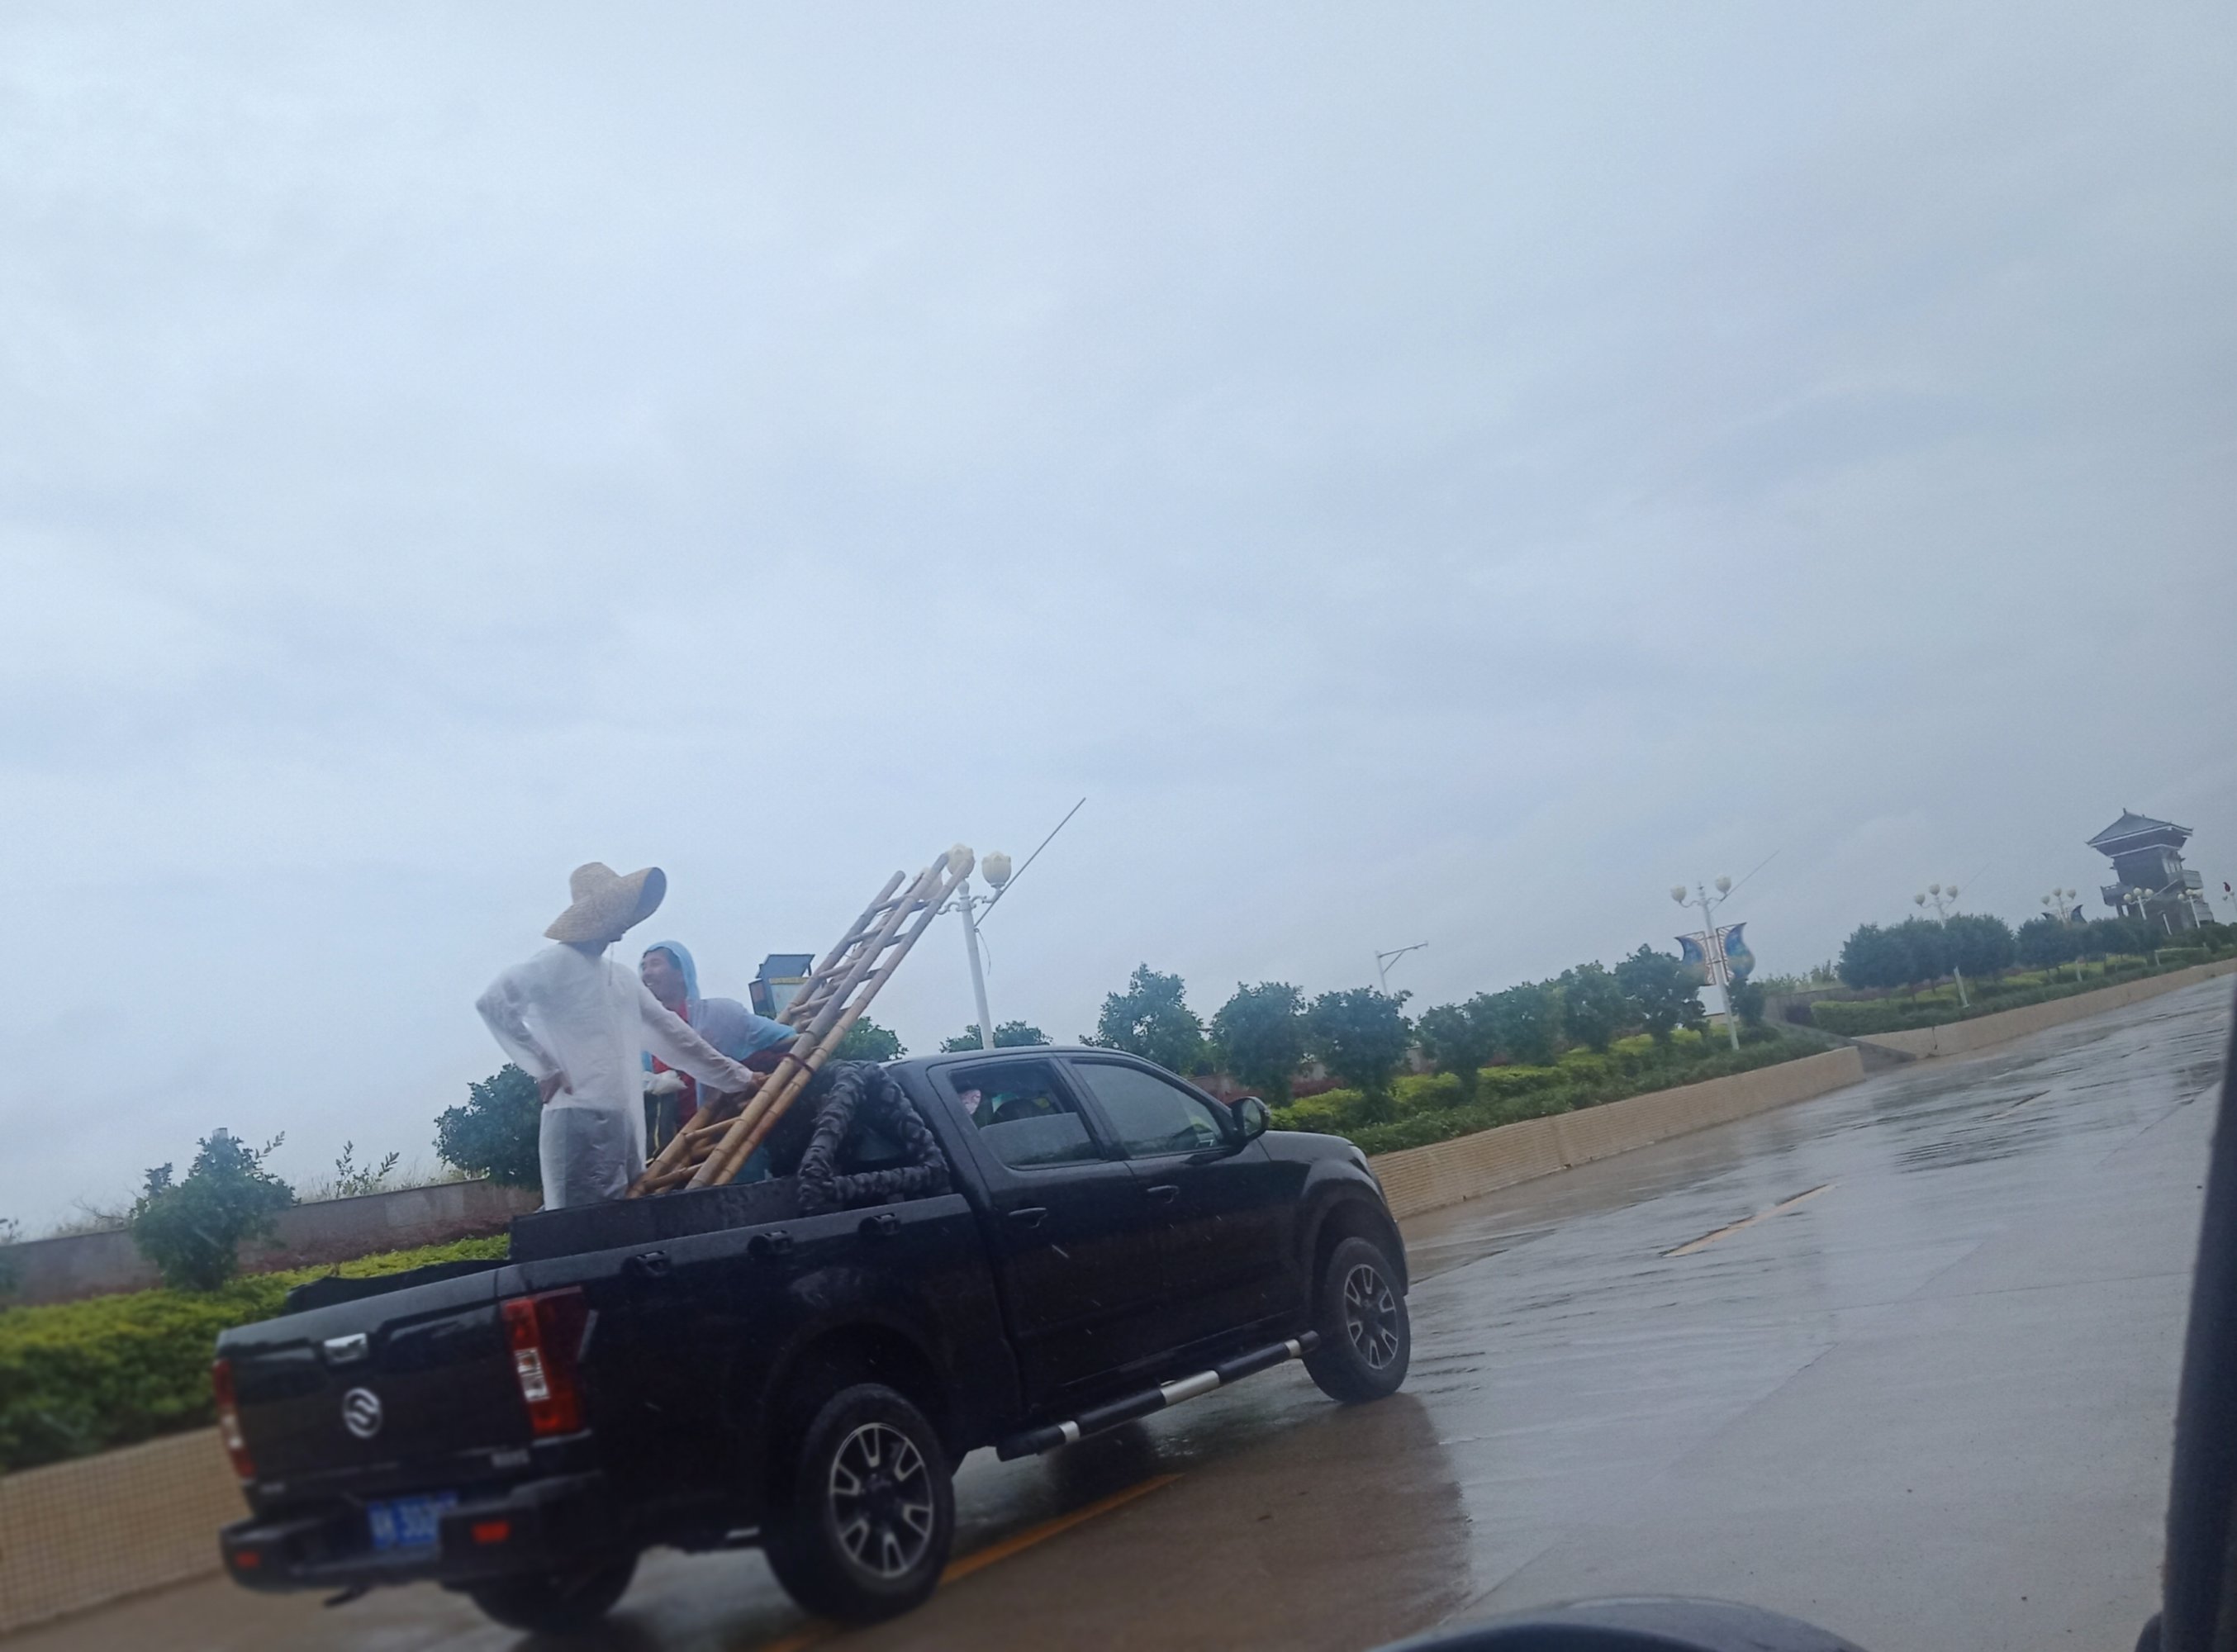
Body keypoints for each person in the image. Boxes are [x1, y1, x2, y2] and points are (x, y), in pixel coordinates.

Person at [477, 863, 759, 1208]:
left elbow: (677, 1036)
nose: (625, 921)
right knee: (577, 1224)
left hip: (621, 1119)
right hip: (576, 1118)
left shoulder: (623, 979)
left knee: (624, 1217)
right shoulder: (555, 963)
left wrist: (739, 1078)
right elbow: (494, 1003)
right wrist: (544, 1066)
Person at [638, 939, 796, 1151]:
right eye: (644, 967)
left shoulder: (720, 1015)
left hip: (727, 1140)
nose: (646, 973)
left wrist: (747, 1071)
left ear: (681, 973)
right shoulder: (645, 1041)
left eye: (655, 964)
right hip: (674, 1152)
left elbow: (787, 1038)